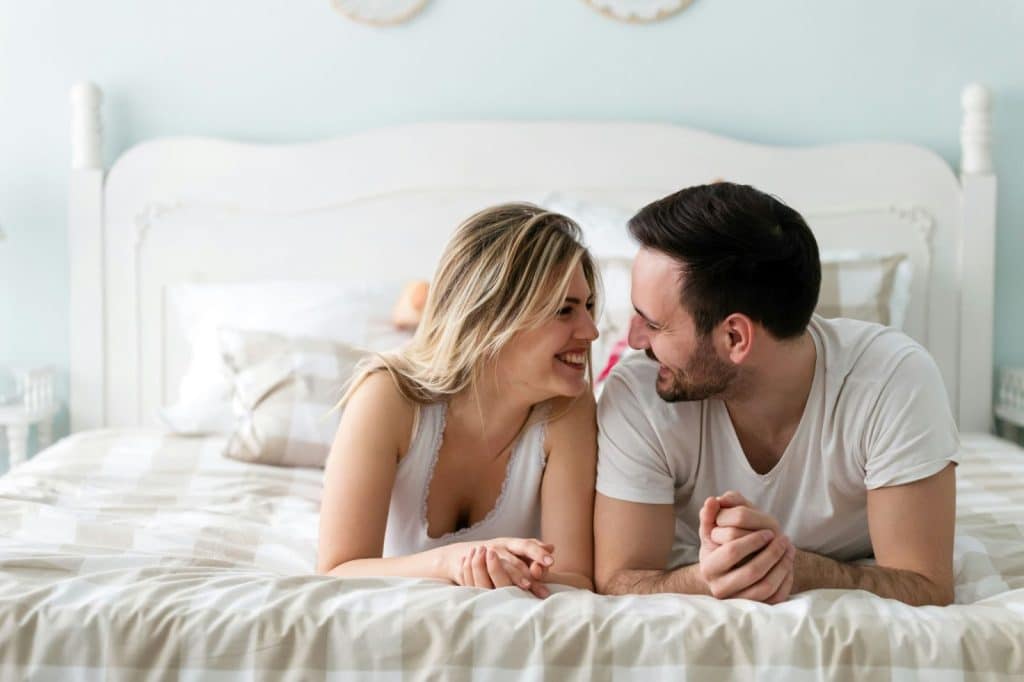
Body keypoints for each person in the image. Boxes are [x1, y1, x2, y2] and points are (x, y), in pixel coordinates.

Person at [594, 182, 959, 606]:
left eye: (653, 324)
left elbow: (927, 586)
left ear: (734, 336)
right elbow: (619, 580)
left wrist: (791, 566)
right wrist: (704, 578)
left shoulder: (893, 381)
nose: (633, 339)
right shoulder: (637, 392)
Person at [318, 203, 599, 597]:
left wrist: (498, 572)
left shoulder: (568, 407)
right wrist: (451, 562)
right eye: (564, 310)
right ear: (491, 315)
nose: (592, 330)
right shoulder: (388, 397)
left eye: (588, 307)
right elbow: (337, 570)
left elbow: (577, 579)